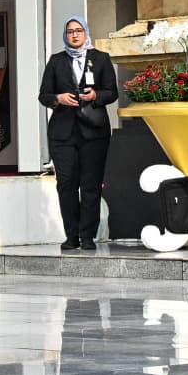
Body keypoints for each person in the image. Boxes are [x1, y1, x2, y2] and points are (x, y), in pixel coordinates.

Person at [37, 17, 119, 253]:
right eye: (70, 31)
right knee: (67, 184)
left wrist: (95, 96)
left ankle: (87, 236)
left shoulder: (101, 58)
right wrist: (58, 99)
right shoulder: (56, 61)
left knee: (91, 185)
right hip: (63, 133)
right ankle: (71, 235)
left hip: (93, 132)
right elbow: (44, 95)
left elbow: (111, 92)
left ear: (86, 32)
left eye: (79, 30)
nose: (74, 35)